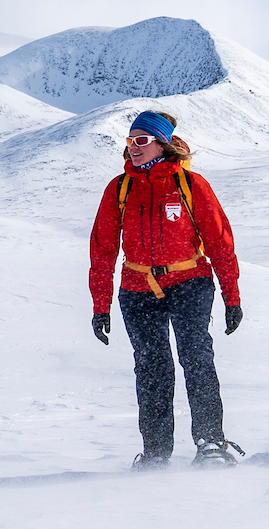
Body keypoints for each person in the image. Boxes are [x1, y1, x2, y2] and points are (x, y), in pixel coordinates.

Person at [88, 110, 246, 467]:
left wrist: (231, 297)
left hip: (189, 280)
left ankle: (210, 444)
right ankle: (156, 453)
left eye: (141, 140)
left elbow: (220, 242)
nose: (133, 148)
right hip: (137, 286)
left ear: (162, 144)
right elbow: (103, 248)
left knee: (196, 357)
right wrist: (101, 305)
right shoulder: (119, 188)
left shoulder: (191, 184)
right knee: (151, 367)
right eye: (129, 141)